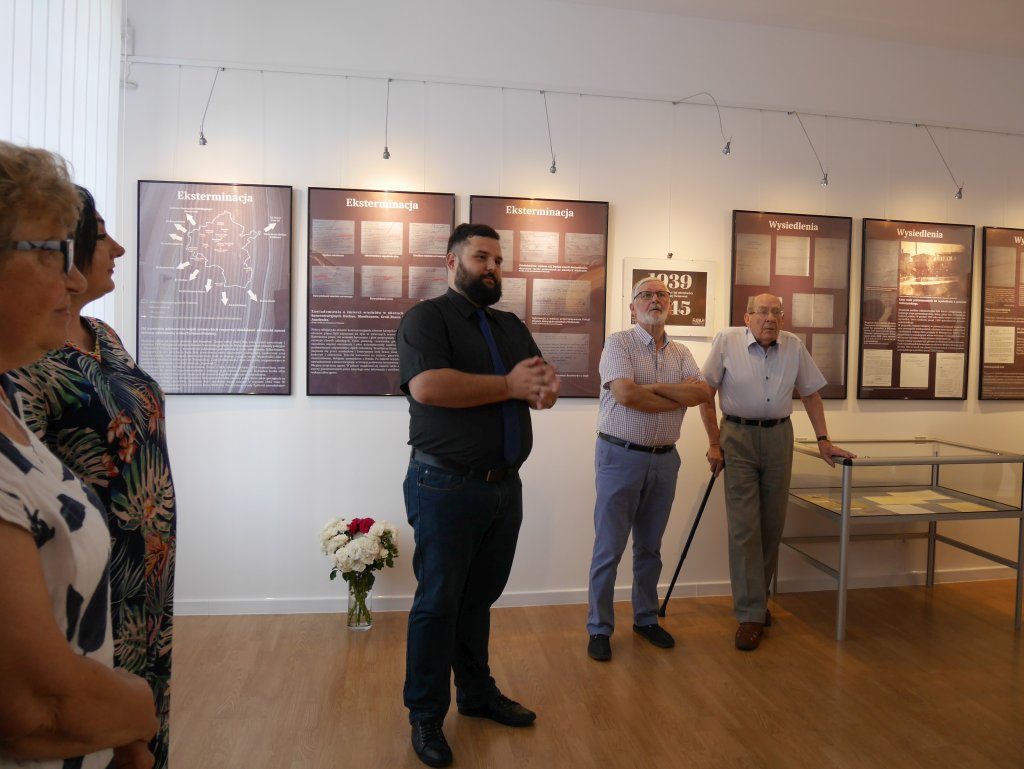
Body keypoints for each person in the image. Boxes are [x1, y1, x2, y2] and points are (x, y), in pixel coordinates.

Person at [0, 141, 157, 769]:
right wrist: (135, 710)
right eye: (53, 253)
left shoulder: (11, 398)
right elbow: (36, 706)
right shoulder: (31, 375)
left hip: (128, 610)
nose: (74, 277)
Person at [396, 222, 560, 767]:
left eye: (498, 260)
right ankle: (425, 714)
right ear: (452, 262)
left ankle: (475, 693)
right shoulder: (426, 319)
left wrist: (544, 389)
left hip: (503, 486)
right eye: (481, 257)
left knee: (478, 598)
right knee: (439, 601)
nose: (492, 268)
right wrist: (511, 385)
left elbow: (541, 384)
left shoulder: (510, 325)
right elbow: (428, 386)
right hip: (444, 485)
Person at [699, 293, 854, 651]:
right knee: (744, 527)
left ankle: (756, 601)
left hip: (779, 436)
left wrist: (824, 440)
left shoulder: (793, 346)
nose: (769, 318)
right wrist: (714, 443)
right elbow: (705, 394)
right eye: (762, 312)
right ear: (747, 316)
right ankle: (750, 615)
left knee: (772, 524)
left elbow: (811, 394)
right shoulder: (727, 340)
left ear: (783, 318)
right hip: (737, 435)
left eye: (776, 313)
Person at [585, 277, 710, 662]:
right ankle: (599, 628)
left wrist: (650, 389)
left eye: (661, 295)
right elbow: (625, 394)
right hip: (619, 456)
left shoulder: (682, 351)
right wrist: (675, 395)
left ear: (669, 303)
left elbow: (702, 393)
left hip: (664, 459)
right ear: (632, 307)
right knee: (609, 548)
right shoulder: (618, 343)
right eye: (646, 295)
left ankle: (645, 618)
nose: (655, 300)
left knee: (650, 548)